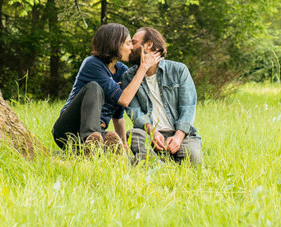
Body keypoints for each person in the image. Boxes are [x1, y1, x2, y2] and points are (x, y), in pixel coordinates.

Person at [52, 23, 162, 154]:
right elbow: (124, 99)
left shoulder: (122, 71)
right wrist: (143, 67)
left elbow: (118, 115)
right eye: (128, 43)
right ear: (114, 45)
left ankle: (89, 148)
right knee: (94, 87)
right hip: (68, 128)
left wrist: (124, 144)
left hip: (99, 132)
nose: (131, 48)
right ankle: (90, 139)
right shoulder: (92, 64)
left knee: (113, 141)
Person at [122, 26, 202, 166]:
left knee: (193, 159)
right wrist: (153, 133)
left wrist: (178, 137)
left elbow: (188, 107)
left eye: (133, 42)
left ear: (148, 45)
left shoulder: (178, 70)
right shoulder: (129, 77)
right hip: (149, 135)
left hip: (180, 135)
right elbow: (134, 112)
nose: (130, 47)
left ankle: (154, 162)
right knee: (134, 135)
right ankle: (159, 164)